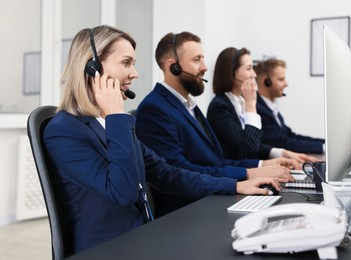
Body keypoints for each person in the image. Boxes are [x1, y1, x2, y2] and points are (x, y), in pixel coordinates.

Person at [43, 25, 282, 254]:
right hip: (108, 249)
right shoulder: (65, 130)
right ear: (92, 68)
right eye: (126, 63)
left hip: (142, 236)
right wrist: (116, 115)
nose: (135, 73)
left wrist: (236, 186)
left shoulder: (111, 124)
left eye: (133, 64)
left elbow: (167, 173)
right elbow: (122, 193)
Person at [135, 32, 297, 217]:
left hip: (211, 198)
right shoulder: (154, 108)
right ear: (174, 67)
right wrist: (245, 176)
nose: (204, 67)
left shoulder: (190, 106)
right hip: (187, 212)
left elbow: (216, 162)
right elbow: (178, 172)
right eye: (197, 60)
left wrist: (261, 165)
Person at [207, 47, 319, 163]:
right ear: (232, 72)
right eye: (249, 69)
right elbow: (249, 146)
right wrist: (250, 104)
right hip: (235, 177)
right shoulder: (220, 106)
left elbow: (254, 143)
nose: (254, 75)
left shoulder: (238, 102)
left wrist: (282, 153)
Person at [254, 58, 325, 154]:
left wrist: (325, 144)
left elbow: (291, 136)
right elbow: (283, 143)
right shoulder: (257, 110)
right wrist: (323, 148)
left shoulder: (270, 108)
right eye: (281, 79)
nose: (286, 84)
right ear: (266, 81)